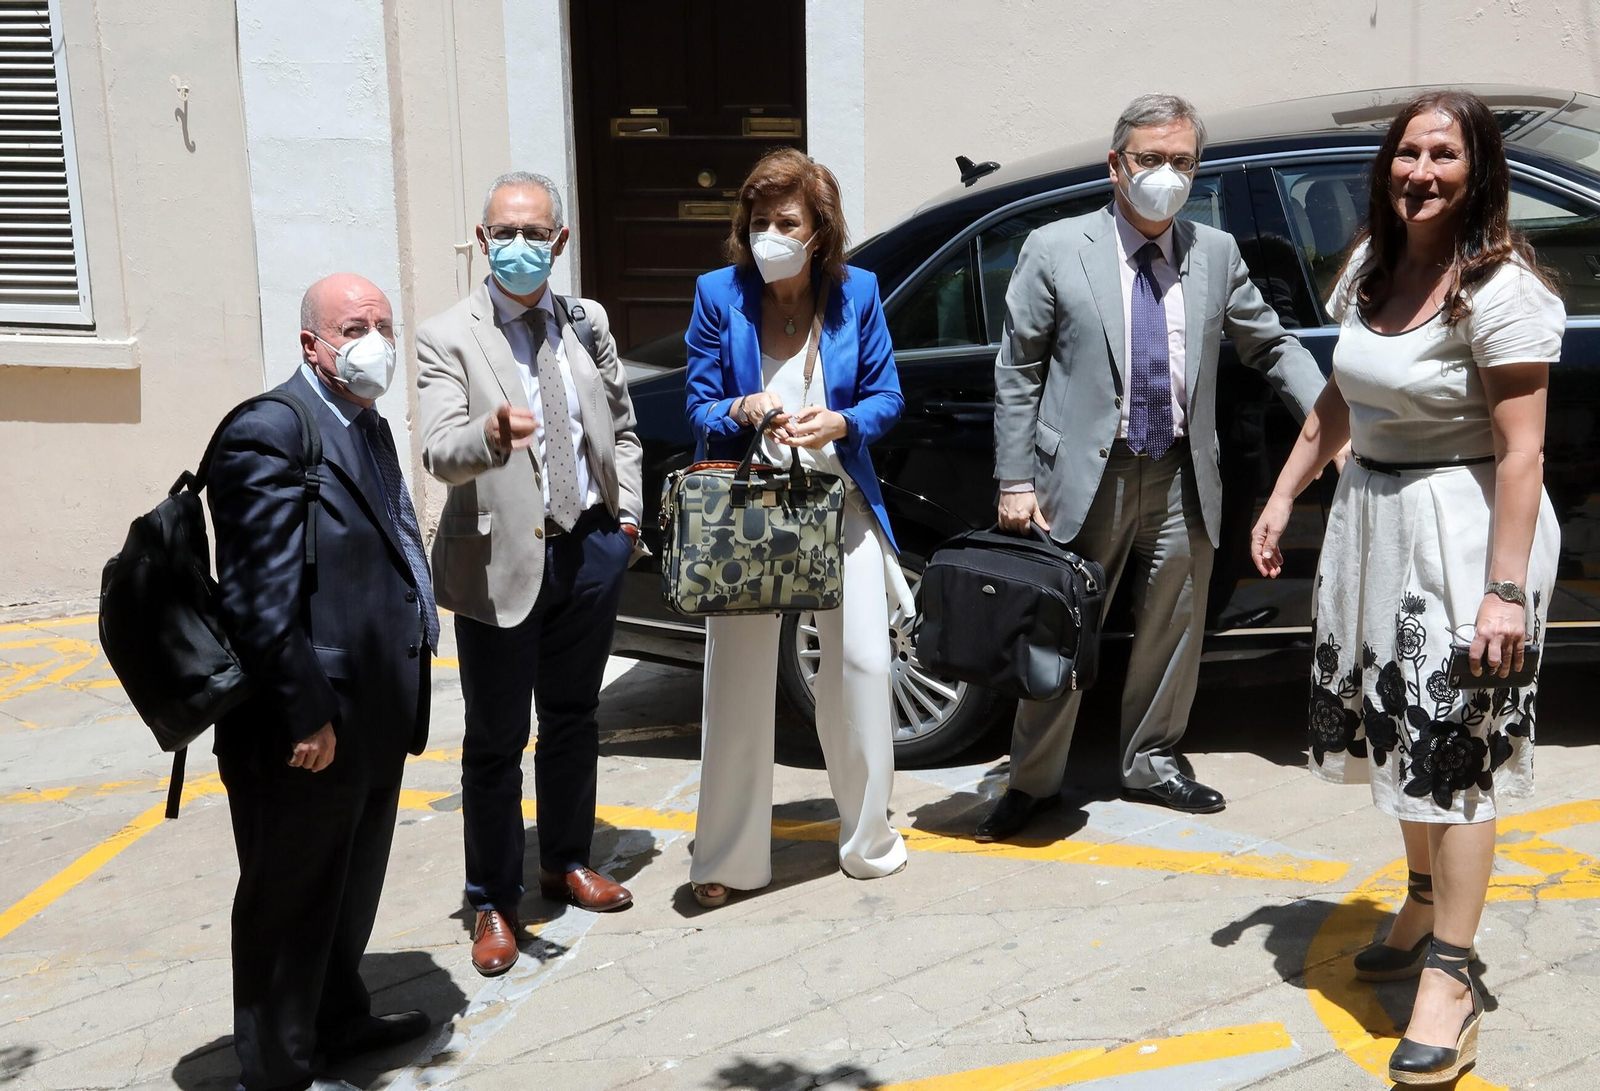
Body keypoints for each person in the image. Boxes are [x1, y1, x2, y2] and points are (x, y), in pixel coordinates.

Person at [1251, 90, 1563, 1085]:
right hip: (1374, 523)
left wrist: (1502, 591)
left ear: (1478, 173)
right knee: (1396, 730)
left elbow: (1523, 455)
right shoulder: (1374, 266)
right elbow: (1345, 393)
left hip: (1466, 535)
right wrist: (1282, 492)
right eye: (1406, 153)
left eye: (1442, 155)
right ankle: (1424, 893)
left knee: (1455, 751)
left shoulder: (1499, 287)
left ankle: (1451, 974)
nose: (1419, 171)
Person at [981, 93, 1327, 843]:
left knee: (1172, 631)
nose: (1165, 175)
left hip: (1177, 476)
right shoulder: (1055, 248)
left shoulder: (1216, 253)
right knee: (1058, 631)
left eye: (1181, 161)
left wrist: (1329, 414)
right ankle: (1031, 780)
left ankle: (1152, 761)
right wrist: (1014, 479)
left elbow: (1270, 344)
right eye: (1150, 160)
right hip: (1081, 480)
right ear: (1116, 166)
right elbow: (1018, 371)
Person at [208, 274, 439, 1091]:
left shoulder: (363, 421)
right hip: (306, 725)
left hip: (371, 714)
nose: (372, 337)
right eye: (353, 325)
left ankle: (338, 1021)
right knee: (288, 903)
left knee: (345, 888)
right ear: (313, 344)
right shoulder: (269, 432)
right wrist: (304, 713)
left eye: (383, 322)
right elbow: (256, 595)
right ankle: (278, 1070)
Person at [417, 171, 644, 977]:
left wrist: (626, 520)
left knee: (576, 717)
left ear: (560, 241)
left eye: (533, 232)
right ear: (483, 242)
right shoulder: (448, 335)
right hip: (499, 561)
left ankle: (565, 860)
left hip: (587, 549)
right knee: (495, 738)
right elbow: (438, 449)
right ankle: (491, 899)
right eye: (503, 233)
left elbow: (620, 423)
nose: (518, 246)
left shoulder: (586, 321)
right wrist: (487, 432)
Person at [683, 148, 911, 907]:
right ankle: (727, 856)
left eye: (787, 221)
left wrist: (842, 420)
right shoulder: (720, 294)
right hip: (748, 506)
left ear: (819, 231)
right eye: (758, 221)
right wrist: (738, 408)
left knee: (865, 668)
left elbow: (886, 395)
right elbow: (696, 403)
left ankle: (867, 837)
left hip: (836, 499)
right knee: (738, 679)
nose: (769, 233)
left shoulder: (857, 293)